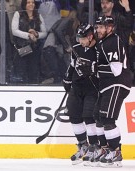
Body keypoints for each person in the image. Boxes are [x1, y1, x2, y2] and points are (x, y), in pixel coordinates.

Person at [77, 16, 132, 167]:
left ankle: (116, 152)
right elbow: (101, 70)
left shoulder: (113, 41)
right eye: (98, 27)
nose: (99, 30)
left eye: (102, 27)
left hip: (118, 84)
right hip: (108, 84)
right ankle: (105, 149)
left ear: (110, 28)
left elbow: (116, 70)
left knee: (107, 119)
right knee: (97, 116)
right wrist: (89, 68)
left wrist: (94, 68)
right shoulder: (103, 42)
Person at [63, 23, 99, 166]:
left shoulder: (98, 49)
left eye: (83, 38)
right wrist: (67, 78)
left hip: (92, 89)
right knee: (74, 116)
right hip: (77, 88)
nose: (80, 41)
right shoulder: (77, 48)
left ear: (90, 37)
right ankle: (83, 145)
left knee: (89, 118)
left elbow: (103, 69)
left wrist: (92, 69)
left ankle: (94, 147)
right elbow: (72, 65)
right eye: (78, 38)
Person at [11, 0, 47, 84]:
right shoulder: (18, 14)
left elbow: (45, 33)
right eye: (29, 2)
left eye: (33, 2)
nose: (31, 4)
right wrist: (28, 35)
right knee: (21, 70)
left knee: (33, 71)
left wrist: (36, 34)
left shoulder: (38, 15)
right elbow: (14, 31)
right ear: (24, 4)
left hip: (34, 48)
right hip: (21, 47)